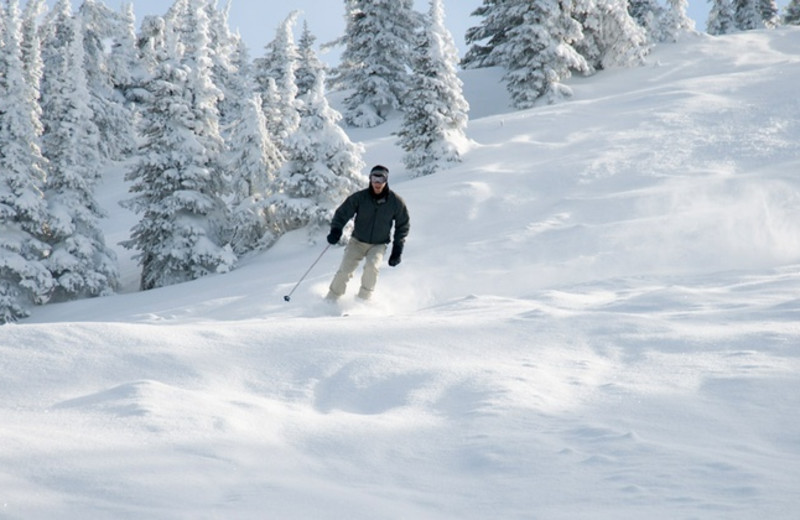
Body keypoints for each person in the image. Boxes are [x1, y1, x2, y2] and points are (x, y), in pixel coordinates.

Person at [325, 165, 410, 301]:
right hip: (357, 241)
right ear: (370, 179)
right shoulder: (360, 198)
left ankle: (363, 300)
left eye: (380, 179)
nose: (377, 183)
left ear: (386, 180)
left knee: (372, 267)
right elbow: (342, 213)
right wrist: (336, 230)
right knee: (345, 271)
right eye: (374, 178)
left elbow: (403, 225)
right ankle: (331, 299)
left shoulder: (395, 202)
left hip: (378, 244)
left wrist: (397, 249)